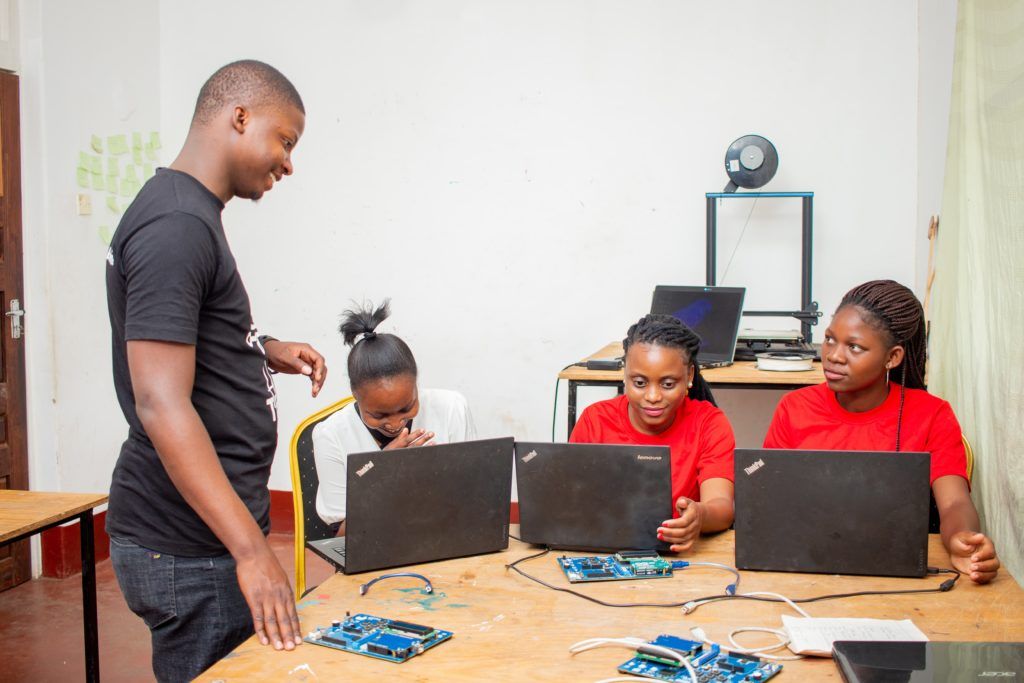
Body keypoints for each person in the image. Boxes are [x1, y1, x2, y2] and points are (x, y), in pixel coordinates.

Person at [105, 60, 328, 681]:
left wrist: (263, 347)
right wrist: (253, 551)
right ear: (239, 117)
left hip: (204, 538)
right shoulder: (176, 224)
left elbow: (190, 331)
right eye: (285, 140)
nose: (288, 162)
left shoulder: (187, 211)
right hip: (189, 546)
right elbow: (160, 402)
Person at [763, 279, 1000, 584]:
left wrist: (962, 538)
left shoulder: (932, 414)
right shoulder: (794, 408)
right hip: (807, 565)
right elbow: (771, 500)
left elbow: (954, 502)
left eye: (855, 347)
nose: (834, 355)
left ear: (893, 357)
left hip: (896, 572)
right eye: (830, 339)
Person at [569, 313, 735, 553]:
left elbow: (721, 506)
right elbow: (572, 501)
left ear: (689, 376)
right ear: (624, 373)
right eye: (639, 383)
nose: (653, 396)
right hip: (606, 553)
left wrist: (700, 515)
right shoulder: (595, 420)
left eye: (668, 384)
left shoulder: (709, 423)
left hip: (679, 558)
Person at [313, 300, 476, 532]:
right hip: (376, 546)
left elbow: (473, 499)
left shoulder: (451, 408)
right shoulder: (331, 435)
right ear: (355, 395)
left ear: (416, 385)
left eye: (406, 408)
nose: (395, 423)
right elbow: (342, 537)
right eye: (379, 415)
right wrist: (383, 473)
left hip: (447, 535)